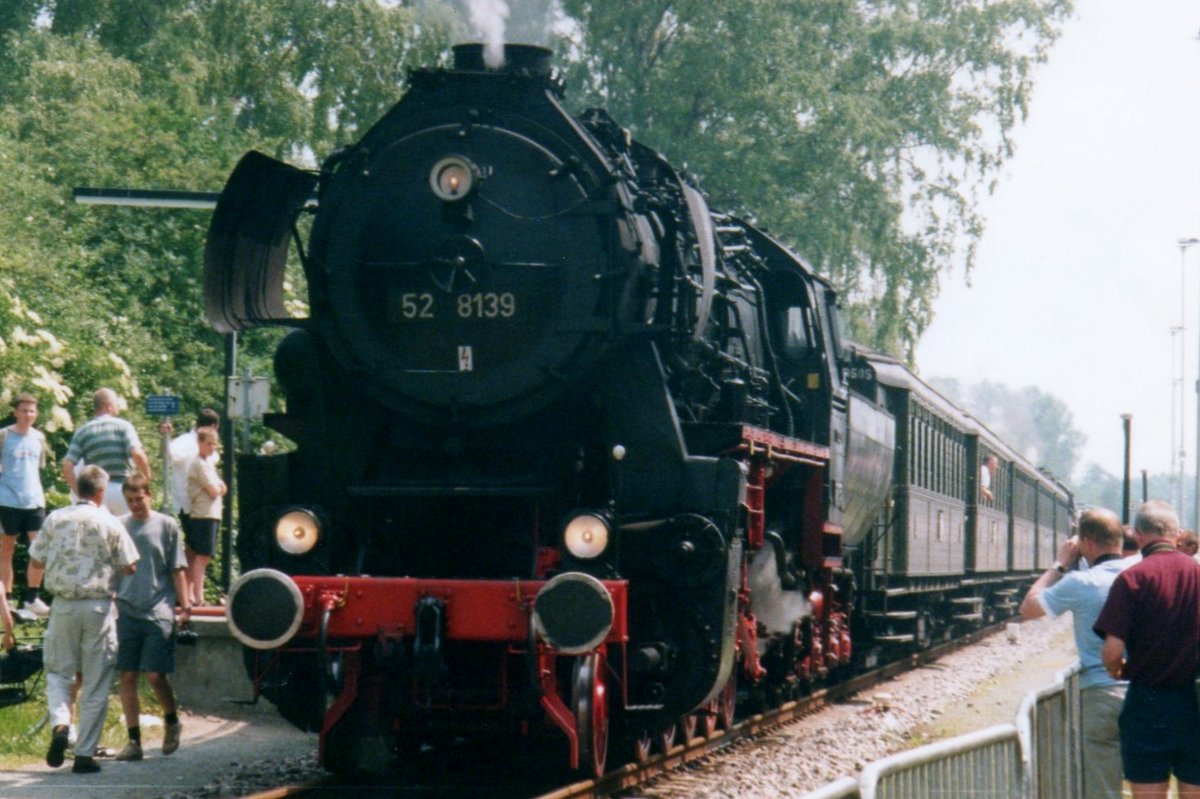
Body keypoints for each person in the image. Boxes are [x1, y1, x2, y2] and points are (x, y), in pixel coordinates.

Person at [29, 465, 138, 774]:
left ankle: (61, 724)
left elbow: (36, 559)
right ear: (101, 492)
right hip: (98, 607)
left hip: (62, 605)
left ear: (77, 489)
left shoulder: (55, 518)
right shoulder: (110, 522)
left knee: (58, 673)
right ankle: (85, 754)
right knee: (96, 680)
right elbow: (130, 565)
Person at [1019, 507, 1132, 799]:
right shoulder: (1140, 574)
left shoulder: (1080, 582)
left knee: (1103, 788)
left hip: (1100, 693)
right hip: (1145, 691)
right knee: (1148, 784)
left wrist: (1059, 564)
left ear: (1087, 543)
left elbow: (1028, 608)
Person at [1095, 500, 1200, 799]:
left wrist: (1117, 670)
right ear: (1177, 535)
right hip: (1194, 700)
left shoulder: (1132, 578)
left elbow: (1112, 651)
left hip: (1147, 703)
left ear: (1138, 536)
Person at [113, 475, 190, 761]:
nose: (135, 505)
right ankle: (134, 741)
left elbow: (177, 568)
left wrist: (185, 606)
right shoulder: (119, 525)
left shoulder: (166, 525)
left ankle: (172, 720)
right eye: (130, 500)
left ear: (150, 495)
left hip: (158, 608)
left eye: (139, 499)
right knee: (128, 674)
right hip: (126, 609)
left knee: (156, 674)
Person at [62, 388, 151, 516]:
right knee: (125, 527)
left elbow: (67, 467)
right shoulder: (123, 426)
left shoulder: (82, 432)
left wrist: (80, 493)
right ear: (109, 406)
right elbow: (137, 454)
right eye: (116, 403)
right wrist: (146, 481)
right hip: (122, 490)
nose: (118, 407)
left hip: (97, 492)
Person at [0, 393, 50, 616]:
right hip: (7, 500)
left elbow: (38, 469)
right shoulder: (4, 435)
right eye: (24, 410)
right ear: (16, 412)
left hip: (34, 500)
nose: (28, 415)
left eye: (32, 411)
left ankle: (32, 597)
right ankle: (7, 599)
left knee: (38, 549)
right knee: (6, 549)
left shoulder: (39, 438)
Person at [185, 428, 225, 607]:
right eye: (208, 443)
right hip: (204, 514)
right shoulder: (200, 464)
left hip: (211, 513)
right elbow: (215, 490)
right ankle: (198, 597)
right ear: (199, 443)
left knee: (201, 556)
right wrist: (218, 488)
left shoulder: (208, 463)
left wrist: (218, 488)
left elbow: (222, 487)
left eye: (214, 444)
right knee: (202, 556)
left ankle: (192, 595)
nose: (212, 447)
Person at [165, 408, 220, 525]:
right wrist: (166, 437)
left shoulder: (206, 444)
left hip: (206, 506)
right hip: (189, 505)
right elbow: (168, 455)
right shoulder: (185, 441)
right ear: (213, 426)